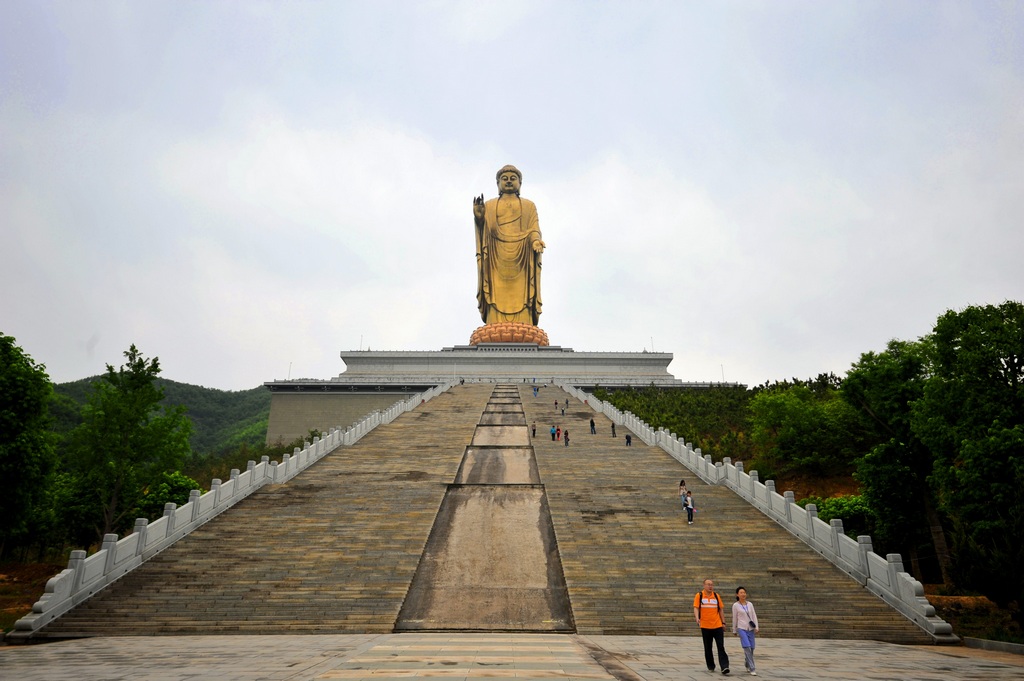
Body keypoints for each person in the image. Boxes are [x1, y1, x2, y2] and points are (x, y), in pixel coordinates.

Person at [474, 164, 544, 325]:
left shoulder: (528, 206)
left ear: (520, 183)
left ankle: (524, 322)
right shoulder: (490, 205)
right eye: (504, 179)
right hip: (495, 256)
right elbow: (483, 230)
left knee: (524, 292)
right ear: (498, 183)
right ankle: (494, 321)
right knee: (493, 289)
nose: (509, 182)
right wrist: (479, 218)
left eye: (513, 178)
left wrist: (535, 241)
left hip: (523, 257)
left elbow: (534, 228)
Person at [694, 579, 730, 674]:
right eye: (708, 584)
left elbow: (720, 610)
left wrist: (723, 623)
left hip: (717, 625)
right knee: (708, 647)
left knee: (720, 646)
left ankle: (724, 666)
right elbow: (696, 608)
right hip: (705, 626)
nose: (710, 586)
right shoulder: (699, 595)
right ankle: (711, 665)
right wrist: (697, 618)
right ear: (704, 585)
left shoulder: (716, 596)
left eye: (711, 585)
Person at [731, 587, 759, 676]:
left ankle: (747, 662)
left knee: (752, 648)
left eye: (744, 592)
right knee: (747, 647)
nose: (743, 594)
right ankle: (752, 668)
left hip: (750, 628)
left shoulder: (750, 604)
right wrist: (734, 629)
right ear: (737, 594)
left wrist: (756, 627)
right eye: (741, 592)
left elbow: (754, 615)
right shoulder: (735, 605)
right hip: (741, 628)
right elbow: (734, 618)